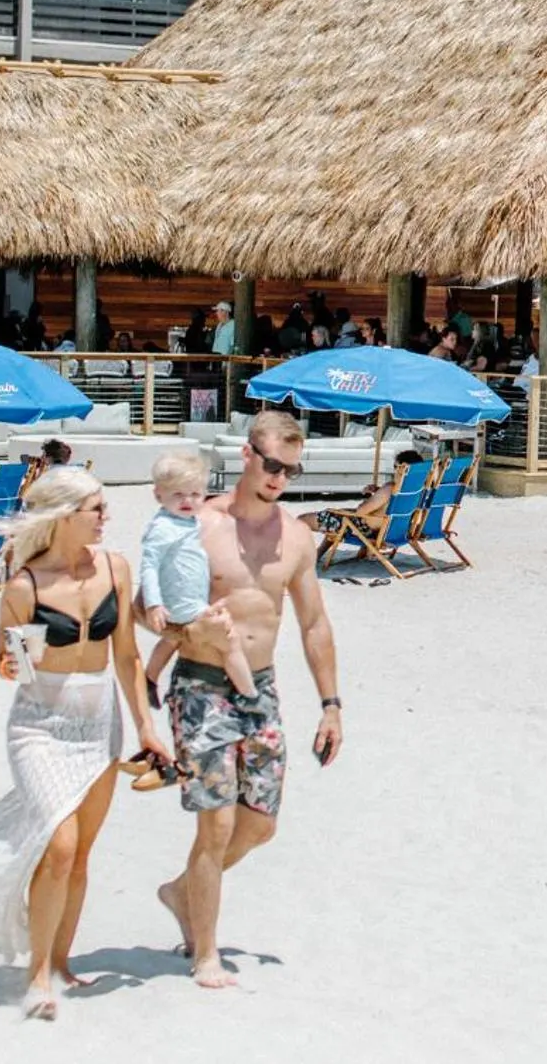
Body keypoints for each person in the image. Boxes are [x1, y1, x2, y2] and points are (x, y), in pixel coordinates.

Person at [0, 467, 168, 1021]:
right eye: (95, 508)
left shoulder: (115, 570)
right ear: (63, 515)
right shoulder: (24, 584)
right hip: (39, 724)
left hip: (101, 721)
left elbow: (126, 656)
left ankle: (61, 960)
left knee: (80, 856)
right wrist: (5, 663)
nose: (105, 517)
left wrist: (146, 727)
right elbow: (6, 663)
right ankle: (38, 973)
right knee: (61, 844)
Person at [150, 411, 342, 990]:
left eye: (290, 468)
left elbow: (313, 625)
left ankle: (183, 892)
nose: (279, 476)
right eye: (271, 463)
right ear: (246, 455)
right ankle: (204, 951)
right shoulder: (196, 524)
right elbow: (147, 605)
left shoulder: (297, 538)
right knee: (217, 823)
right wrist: (181, 635)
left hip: (261, 688)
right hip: (202, 684)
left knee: (259, 825)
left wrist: (331, 704)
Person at [137, 451, 254, 707]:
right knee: (230, 641)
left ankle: (149, 678)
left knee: (172, 640)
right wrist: (153, 604)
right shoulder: (162, 528)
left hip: (185, 599)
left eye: (195, 494)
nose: (187, 501)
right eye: (178, 495)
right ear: (159, 495)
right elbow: (149, 566)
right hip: (181, 603)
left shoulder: (187, 522)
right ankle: (250, 696)